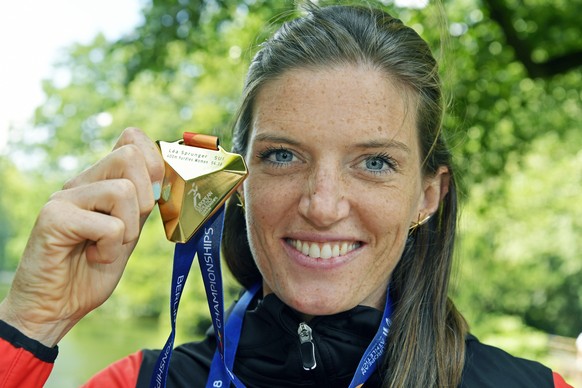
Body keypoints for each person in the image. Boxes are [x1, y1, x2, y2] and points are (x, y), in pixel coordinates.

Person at [0, 2, 573, 387]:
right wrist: (32, 321)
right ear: (237, 182)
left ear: (427, 195)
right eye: (281, 156)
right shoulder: (146, 381)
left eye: (374, 163)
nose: (322, 205)